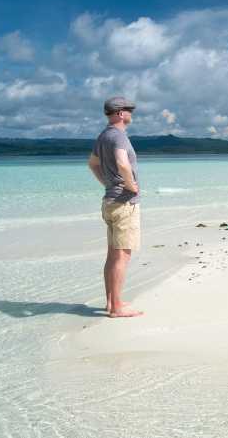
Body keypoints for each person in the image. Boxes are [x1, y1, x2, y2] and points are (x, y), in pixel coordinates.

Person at [87, 96, 144, 318]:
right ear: (121, 113)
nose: (132, 114)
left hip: (109, 201)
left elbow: (92, 164)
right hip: (123, 203)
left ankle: (112, 302)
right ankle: (117, 308)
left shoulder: (103, 136)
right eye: (130, 110)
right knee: (122, 256)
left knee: (113, 255)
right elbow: (122, 162)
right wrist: (131, 186)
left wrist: (108, 183)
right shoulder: (118, 137)